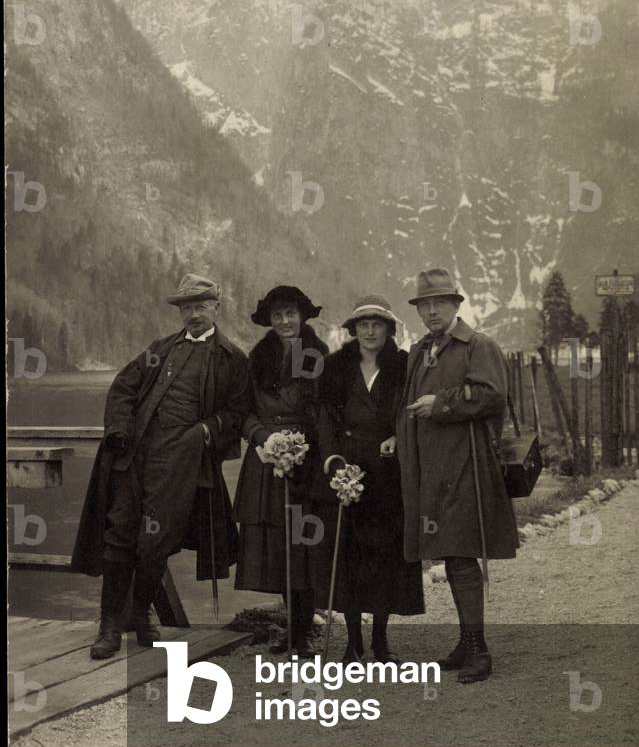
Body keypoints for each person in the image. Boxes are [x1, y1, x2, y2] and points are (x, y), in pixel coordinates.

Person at [71, 274, 249, 659]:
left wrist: (205, 428)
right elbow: (123, 387)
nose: (193, 313)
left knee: (157, 542)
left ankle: (141, 617)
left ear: (216, 307)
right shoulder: (160, 349)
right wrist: (119, 429)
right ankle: (109, 627)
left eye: (201, 305)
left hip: (182, 466)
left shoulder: (232, 359)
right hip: (136, 459)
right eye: (187, 307)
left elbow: (237, 412)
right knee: (119, 533)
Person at [396, 268, 518, 683]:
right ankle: (466, 641)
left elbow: (492, 394)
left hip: (468, 465)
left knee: (462, 552)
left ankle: (479, 651)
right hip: (431, 468)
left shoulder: (477, 345)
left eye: (439, 303)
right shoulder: (420, 351)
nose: (431, 311)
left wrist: (441, 403)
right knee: (451, 552)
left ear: (455, 305)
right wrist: (399, 438)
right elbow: (409, 405)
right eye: (424, 305)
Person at [318, 295, 424, 664]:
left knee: (386, 555)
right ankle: (352, 641)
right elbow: (325, 419)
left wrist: (399, 434)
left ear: (389, 329)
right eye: (362, 324)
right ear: (352, 330)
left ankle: (380, 639)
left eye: (377, 324)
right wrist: (333, 461)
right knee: (348, 554)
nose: (369, 330)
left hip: (387, 472)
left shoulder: (404, 365)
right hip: (347, 469)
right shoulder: (334, 367)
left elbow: (414, 410)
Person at [233, 286, 329, 658]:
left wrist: (301, 446)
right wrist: (264, 440)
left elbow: (325, 412)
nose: (284, 321)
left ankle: (304, 630)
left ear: (302, 316)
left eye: (290, 314)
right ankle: (292, 629)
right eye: (277, 316)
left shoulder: (318, 357)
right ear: (269, 321)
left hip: (305, 462)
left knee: (302, 545)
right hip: (266, 461)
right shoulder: (256, 359)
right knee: (277, 547)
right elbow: (244, 412)